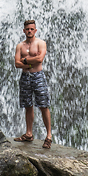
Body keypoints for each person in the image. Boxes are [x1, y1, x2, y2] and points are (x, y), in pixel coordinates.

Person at [14, 19, 52, 149]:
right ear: (24, 30)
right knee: (28, 105)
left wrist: (24, 60)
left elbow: (40, 59)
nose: (29, 31)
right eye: (27, 29)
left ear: (35, 30)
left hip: (38, 77)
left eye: (32, 29)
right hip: (25, 77)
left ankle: (48, 137)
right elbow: (17, 64)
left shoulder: (41, 43)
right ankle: (29, 134)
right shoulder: (20, 46)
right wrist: (30, 62)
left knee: (43, 105)